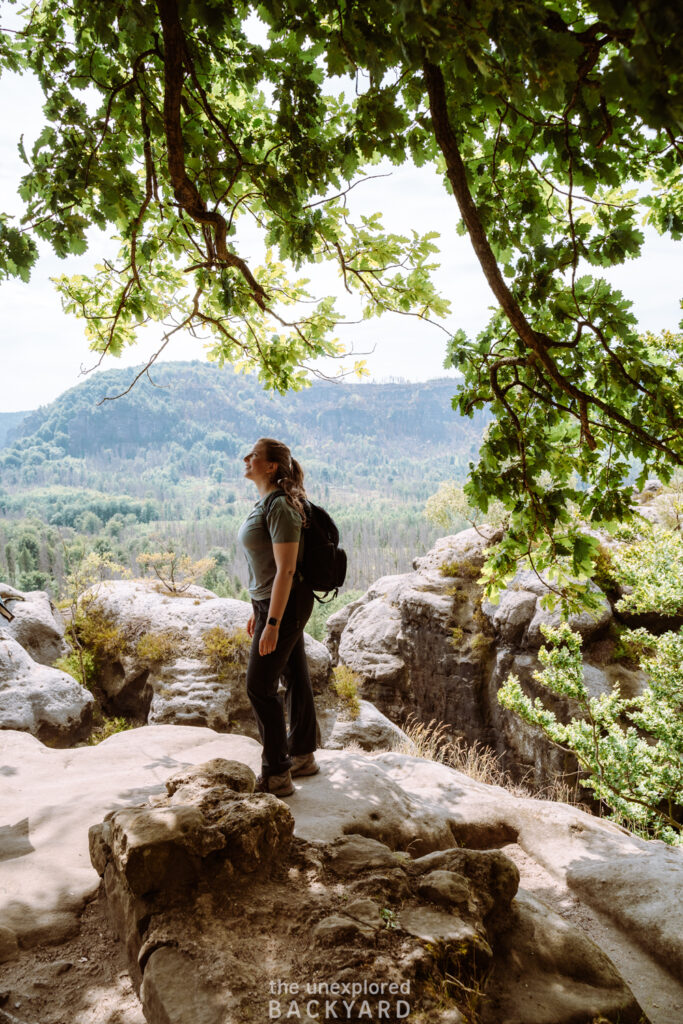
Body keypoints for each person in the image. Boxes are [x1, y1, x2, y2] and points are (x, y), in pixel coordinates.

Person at [237, 437, 320, 797]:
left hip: (284, 603)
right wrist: (259, 610)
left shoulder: (282, 508)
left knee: (259, 685)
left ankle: (277, 774)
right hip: (270, 603)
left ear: (270, 466)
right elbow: (268, 568)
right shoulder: (268, 503)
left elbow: (286, 570)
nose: (246, 458)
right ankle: (302, 755)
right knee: (295, 674)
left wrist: (273, 622)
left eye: (253, 455)